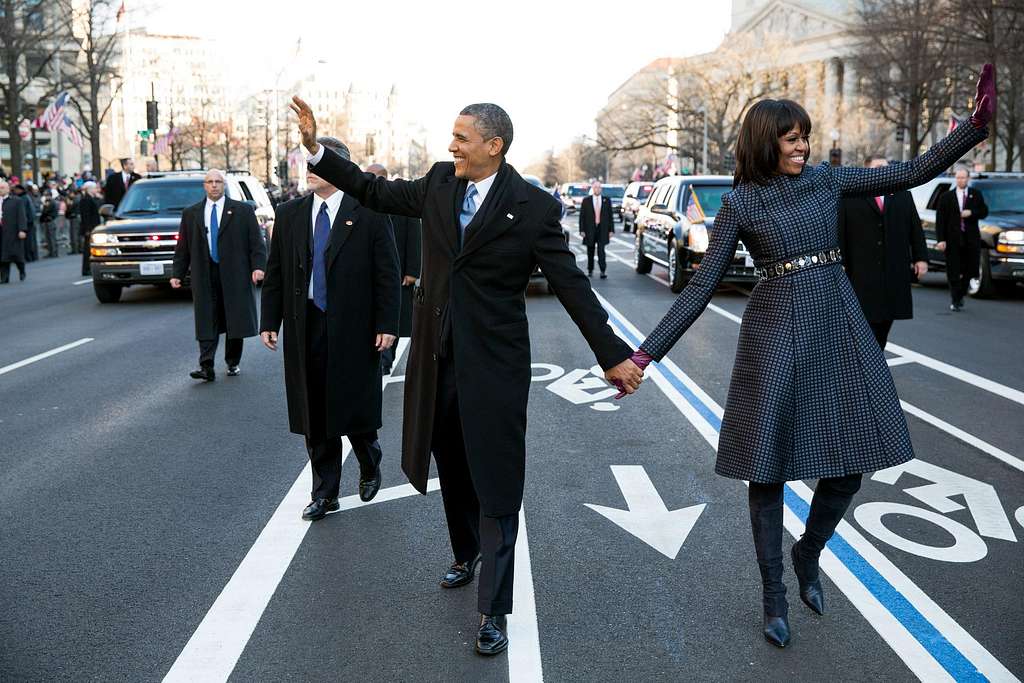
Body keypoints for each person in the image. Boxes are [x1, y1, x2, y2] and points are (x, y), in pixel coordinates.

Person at [622, 65, 994, 648]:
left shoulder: (826, 181)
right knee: (768, 472)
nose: (803, 146)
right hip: (774, 332)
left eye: (805, 136)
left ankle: (808, 552)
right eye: (791, 138)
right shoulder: (741, 204)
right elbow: (699, 288)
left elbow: (909, 172)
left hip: (837, 323)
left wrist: (973, 127)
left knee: (853, 459)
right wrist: (644, 355)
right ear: (764, 141)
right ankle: (773, 595)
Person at [291, 96, 643, 656]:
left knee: (498, 481)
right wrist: (316, 148)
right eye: (451, 136)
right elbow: (374, 191)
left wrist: (612, 354)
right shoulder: (437, 184)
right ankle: (465, 552)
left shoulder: (531, 208)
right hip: (436, 361)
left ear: (493, 145)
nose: (450, 145)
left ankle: (493, 610)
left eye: (461, 137)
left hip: (496, 366)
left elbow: (573, 287)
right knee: (451, 466)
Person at [260, 139, 400, 519]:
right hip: (306, 323)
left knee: (353, 404)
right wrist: (269, 320)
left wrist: (388, 324)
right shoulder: (289, 214)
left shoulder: (368, 211)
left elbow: (387, 272)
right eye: (307, 161)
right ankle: (325, 493)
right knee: (314, 410)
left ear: (340, 168)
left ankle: (369, 459)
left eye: (317, 162)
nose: (308, 168)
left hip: (355, 326)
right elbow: (276, 272)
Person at [170, 169, 267, 381]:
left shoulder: (242, 210)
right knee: (206, 317)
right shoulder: (191, 213)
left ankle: (232, 361)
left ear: (224, 185)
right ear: (204, 186)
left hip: (235, 273)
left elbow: (257, 243)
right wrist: (177, 273)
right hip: (204, 273)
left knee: (235, 317)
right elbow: (183, 247)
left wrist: (258, 266)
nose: (214, 185)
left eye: (218, 182)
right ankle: (206, 366)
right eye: (209, 182)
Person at [839, 155, 929, 347]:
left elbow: (915, 227)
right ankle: (870, 363)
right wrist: (841, 263)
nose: (884, 170)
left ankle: (875, 355)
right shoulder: (851, 196)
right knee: (865, 321)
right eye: (878, 167)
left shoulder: (902, 194)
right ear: (867, 171)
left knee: (886, 321)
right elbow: (840, 230)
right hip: (862, 271)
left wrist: (921, 258)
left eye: (886, 167)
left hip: (893, 269)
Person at [365, 163, 421, 375]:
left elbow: (415, 234)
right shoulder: (364, 201)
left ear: (381, 178)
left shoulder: (399, 200)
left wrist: (412, 270)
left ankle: (386, 359)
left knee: (394, 315)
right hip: (372, 269)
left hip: (399, 270)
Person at [935, 166, 988, 312]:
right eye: (958, 177)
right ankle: (955, 299)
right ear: (955, 178)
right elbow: (940, 220)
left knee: (971, 269)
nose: (960, 180)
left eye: (963, 177)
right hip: (952, 239)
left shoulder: (976, 195)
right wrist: (941, 239)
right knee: (953, 270)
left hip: (971, 238)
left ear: (968, 179)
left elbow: (984, 212)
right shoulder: (946, 197)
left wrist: (971, 212)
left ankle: (960, 293)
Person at [579, 179, 614, 278]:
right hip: (590, 229)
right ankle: (590, 270)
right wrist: (582, 230)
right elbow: (582, 217)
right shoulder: (586, 201)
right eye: (595, 187)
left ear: (601, 189)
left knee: (601, 251)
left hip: (602, 229)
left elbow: (610, 216)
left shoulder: (606, 200)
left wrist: (611, 230)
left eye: (599, 187)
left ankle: (603, 271)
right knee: (590, 250)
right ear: (592, 188)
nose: (597, 189)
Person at [0, 179, 28, 283]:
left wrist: (22, 229)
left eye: (2, 188)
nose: (0, 190)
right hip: (1, 232)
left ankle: (21, 270)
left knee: (16, 255)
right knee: (2, 257)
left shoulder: (16, 201)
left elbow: (21, 216)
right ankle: (4, 277)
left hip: (13, 232)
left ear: (8, 189)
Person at [79, 182, 102, 276]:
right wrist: (87, 229)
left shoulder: (90, 198)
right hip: (90, 228)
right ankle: (86, 269)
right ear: (89, 189)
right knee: (88, 250)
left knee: (91, 249)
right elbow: (86, 215)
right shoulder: (86, 199)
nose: (96, 189)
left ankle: (89, 268)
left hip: (93, 227)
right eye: (94, 188)